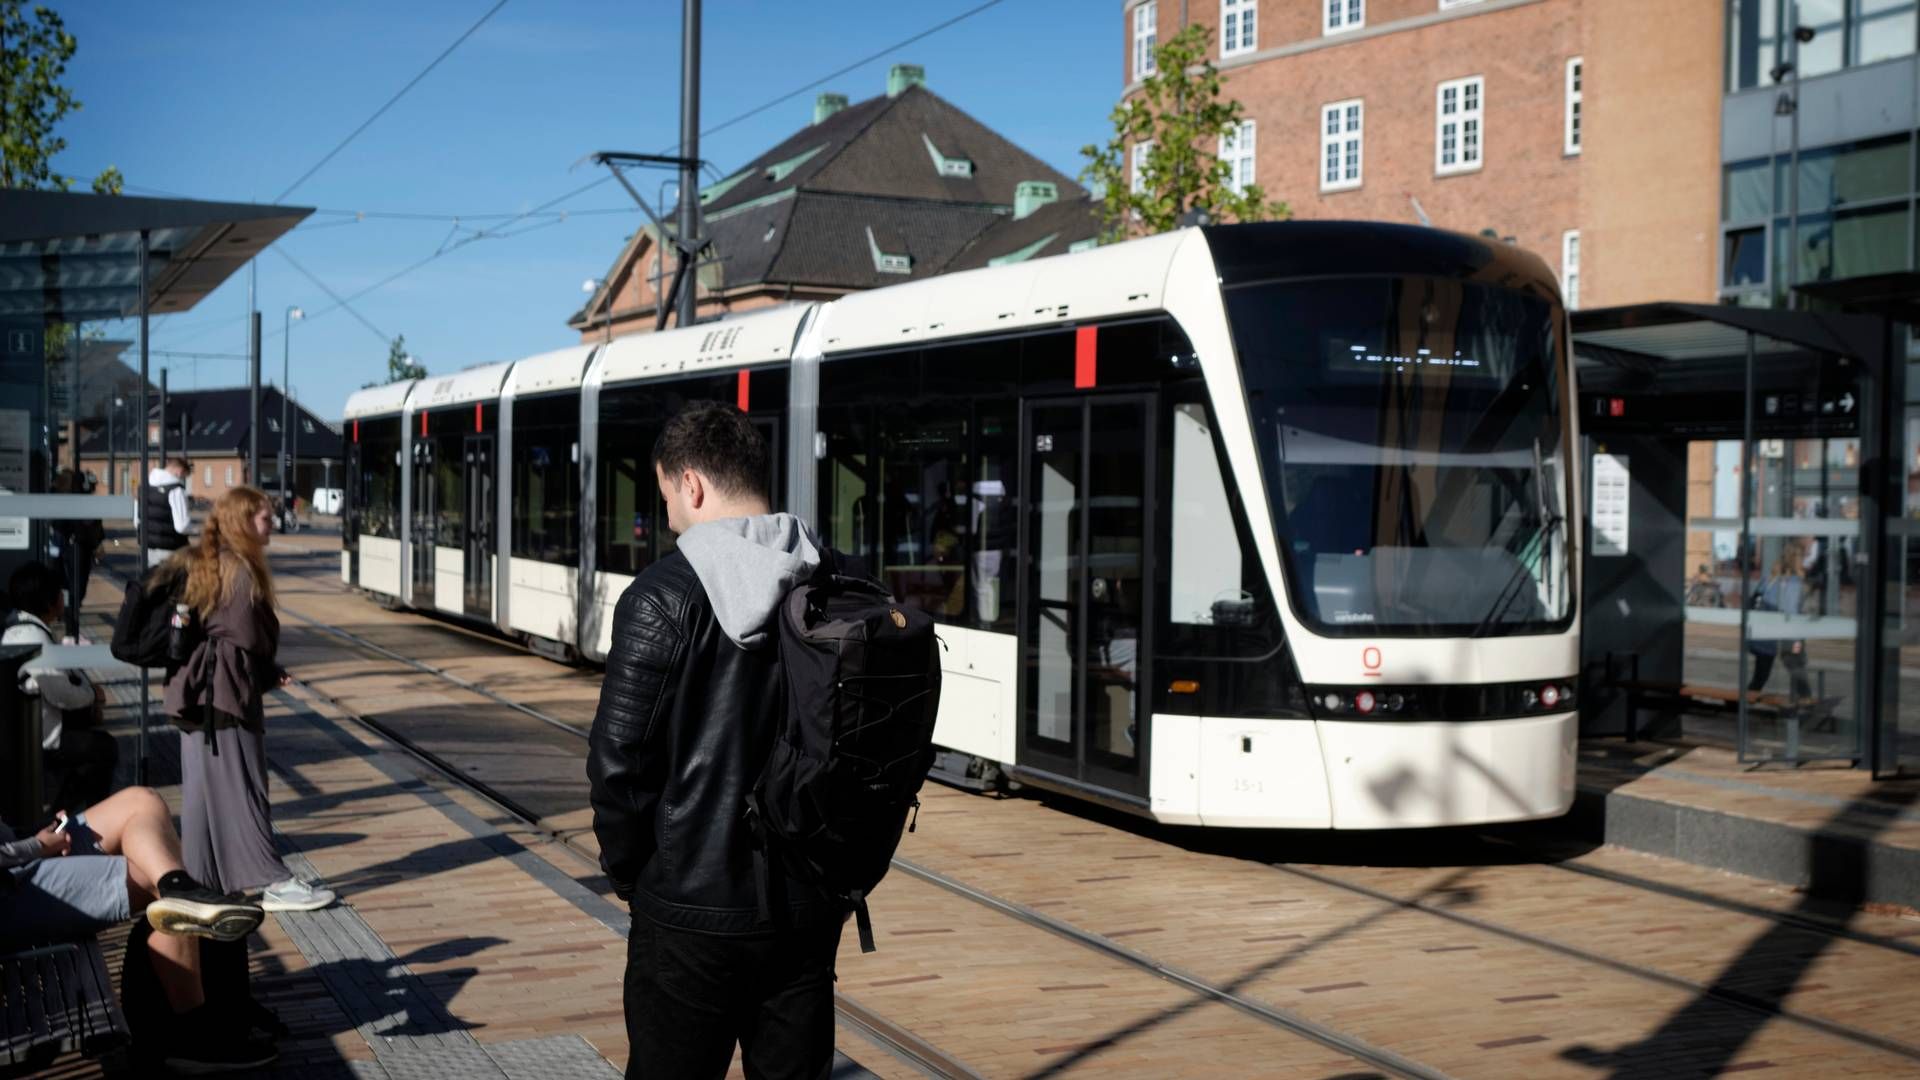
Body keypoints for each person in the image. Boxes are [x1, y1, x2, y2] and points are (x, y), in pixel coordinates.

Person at [589, 401, 844, 1080]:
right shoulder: (839, 583)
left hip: (687, 915)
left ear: (692, 484)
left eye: (666, 494)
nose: (669, 516)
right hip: (805, 910)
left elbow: (619, 766)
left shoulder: (661, 597)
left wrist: (636, 876)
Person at [0, 786, 276, 1072]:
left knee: (141, 801)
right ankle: (195, 1037)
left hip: (16, 855)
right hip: (10, 889)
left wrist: (33, 835)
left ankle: (177, 887)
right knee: (153, 875)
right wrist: (36, 846)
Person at [163, 485, 335, 913]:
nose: (271, 521)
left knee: (202, 799)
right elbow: (249, 634)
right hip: (223, 695)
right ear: (243, 522)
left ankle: (201, 882)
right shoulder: (238, 571)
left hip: (195, 696)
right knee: (247, 790)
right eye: (263, 516)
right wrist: (266, 663)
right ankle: (272, 881)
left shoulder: (210, 562)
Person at [4, 561, 117, 813]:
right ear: (48, 602)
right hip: (39, 739)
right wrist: (93, 695)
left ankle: (65, 815)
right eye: (58, 593)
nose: (62, 599)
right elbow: (63, 695)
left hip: (28, 731)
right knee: (102, 749)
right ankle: (67, 821)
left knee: (91, 747)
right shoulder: (35, 638)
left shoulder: (19, 628)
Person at [1748, 546, 1813, 706]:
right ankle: (1806, 699)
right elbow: (1792, 612)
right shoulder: (1795, 583)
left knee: (1761, 674)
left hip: (1765, 634)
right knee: (1796, 666)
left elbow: (1752, 601)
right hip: (1788, 635)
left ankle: (1745, 701)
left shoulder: (1769, 579)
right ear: (1797, 562)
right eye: (1802, 559)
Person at [51, 467, 104, 639]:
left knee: (68, 591)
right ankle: (71, 631)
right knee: (75, 591)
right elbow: (92, 525)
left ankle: (70, 630)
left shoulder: (57, 499)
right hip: (78, 549)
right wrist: (96, 544)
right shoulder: (80, 500)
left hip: (64, 549)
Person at [143, 456, 193, 568]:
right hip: (171, 548)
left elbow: (137, 521)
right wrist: (196, 530)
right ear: (180, 471)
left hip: (148, 548)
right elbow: (182, 526)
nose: (182, 479)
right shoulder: (176, 490)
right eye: (184, 476)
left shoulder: (145, 486)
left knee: (153, 582)